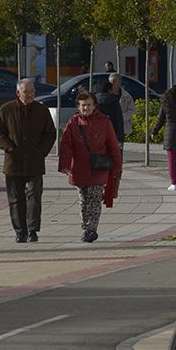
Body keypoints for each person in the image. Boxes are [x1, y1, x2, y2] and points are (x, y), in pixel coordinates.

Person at [0, 79, 56, 243]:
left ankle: (32, 230)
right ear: (18, 93)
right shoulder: (7, 109)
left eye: (32, 91)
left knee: (34, 196)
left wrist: (41, 150)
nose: (30, 95)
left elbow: (50, 133)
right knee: (15, 199)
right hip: (14, 162)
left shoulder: (42, 111)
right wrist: (9, 148)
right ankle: (20, 231)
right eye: (26, 92)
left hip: (35, 162)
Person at [59, 91, 122, 243]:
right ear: (78, 107)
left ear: (94, 106)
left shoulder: (104, 122)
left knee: (94, 199)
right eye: (83, 105)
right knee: (83, 200)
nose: (85, 108)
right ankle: (85, 225)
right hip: (79, 169)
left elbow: (113, 146)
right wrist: (65, 165)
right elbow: (66, 145)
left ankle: (91, 229)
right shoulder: (73, 123)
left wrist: (117, 167)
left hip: (98, 168)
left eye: (88, 105)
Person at [95, 77, 127, 148]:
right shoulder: (114, 102)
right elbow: (119, 120)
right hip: (112, 134)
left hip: (96, 134)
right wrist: (121, 138)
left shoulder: (94, 102)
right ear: (109, 90)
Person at [108, 72, 136, 140]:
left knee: (119, 148)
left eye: (114, 81)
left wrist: (121, 117)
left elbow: (132, 110)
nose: (112, 83)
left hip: (122, 127)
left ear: (119, 82)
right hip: (108, 126)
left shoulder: (126, 96)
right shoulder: (105, 95)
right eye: (110, 81)